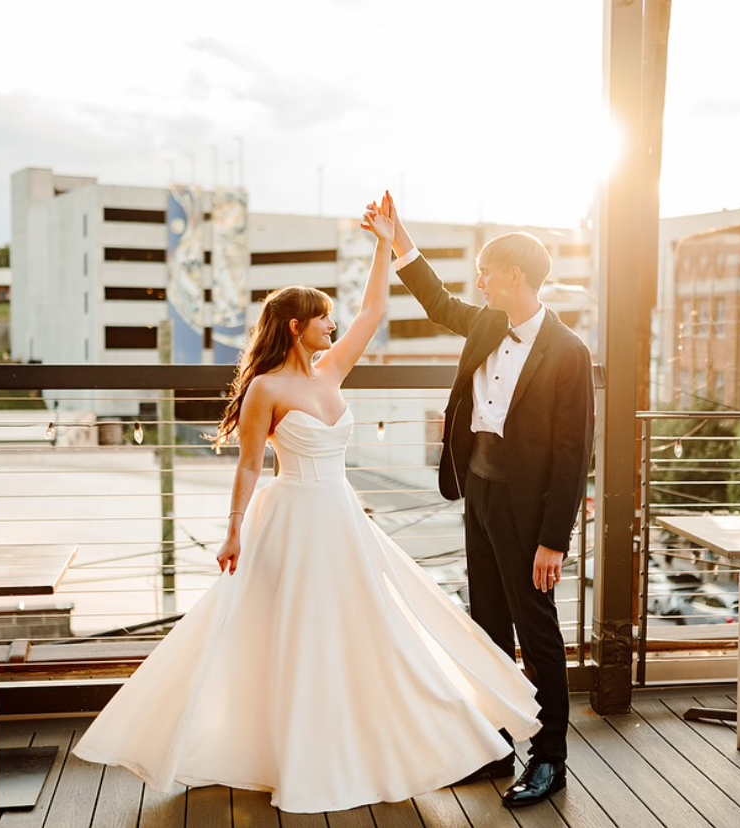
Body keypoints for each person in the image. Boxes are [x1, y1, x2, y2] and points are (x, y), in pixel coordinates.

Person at [73, 194, 542, 814]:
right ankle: (282, 753)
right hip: (290, 520)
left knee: (369, 632)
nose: (332, 326)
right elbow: (247, 466)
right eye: (323, 319)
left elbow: (375, 309)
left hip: (341, 519)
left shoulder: (330, 373)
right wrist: (233, 530)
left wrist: (386, 241)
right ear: (297, 327)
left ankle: (384, 745)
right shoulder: (265, 388)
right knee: (290, 637)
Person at [389, 203, 594, 808]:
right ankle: (497, 745)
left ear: (514, 276)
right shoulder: (484, 323)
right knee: (487, 630)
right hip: (477, 493)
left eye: (486, 271)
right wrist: (400, 239)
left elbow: (572, 455)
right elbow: (434, 301)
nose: (478, 282)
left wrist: (553, 541)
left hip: (529, 513)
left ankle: (550, 759)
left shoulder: (570, 352)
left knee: (539, 631)